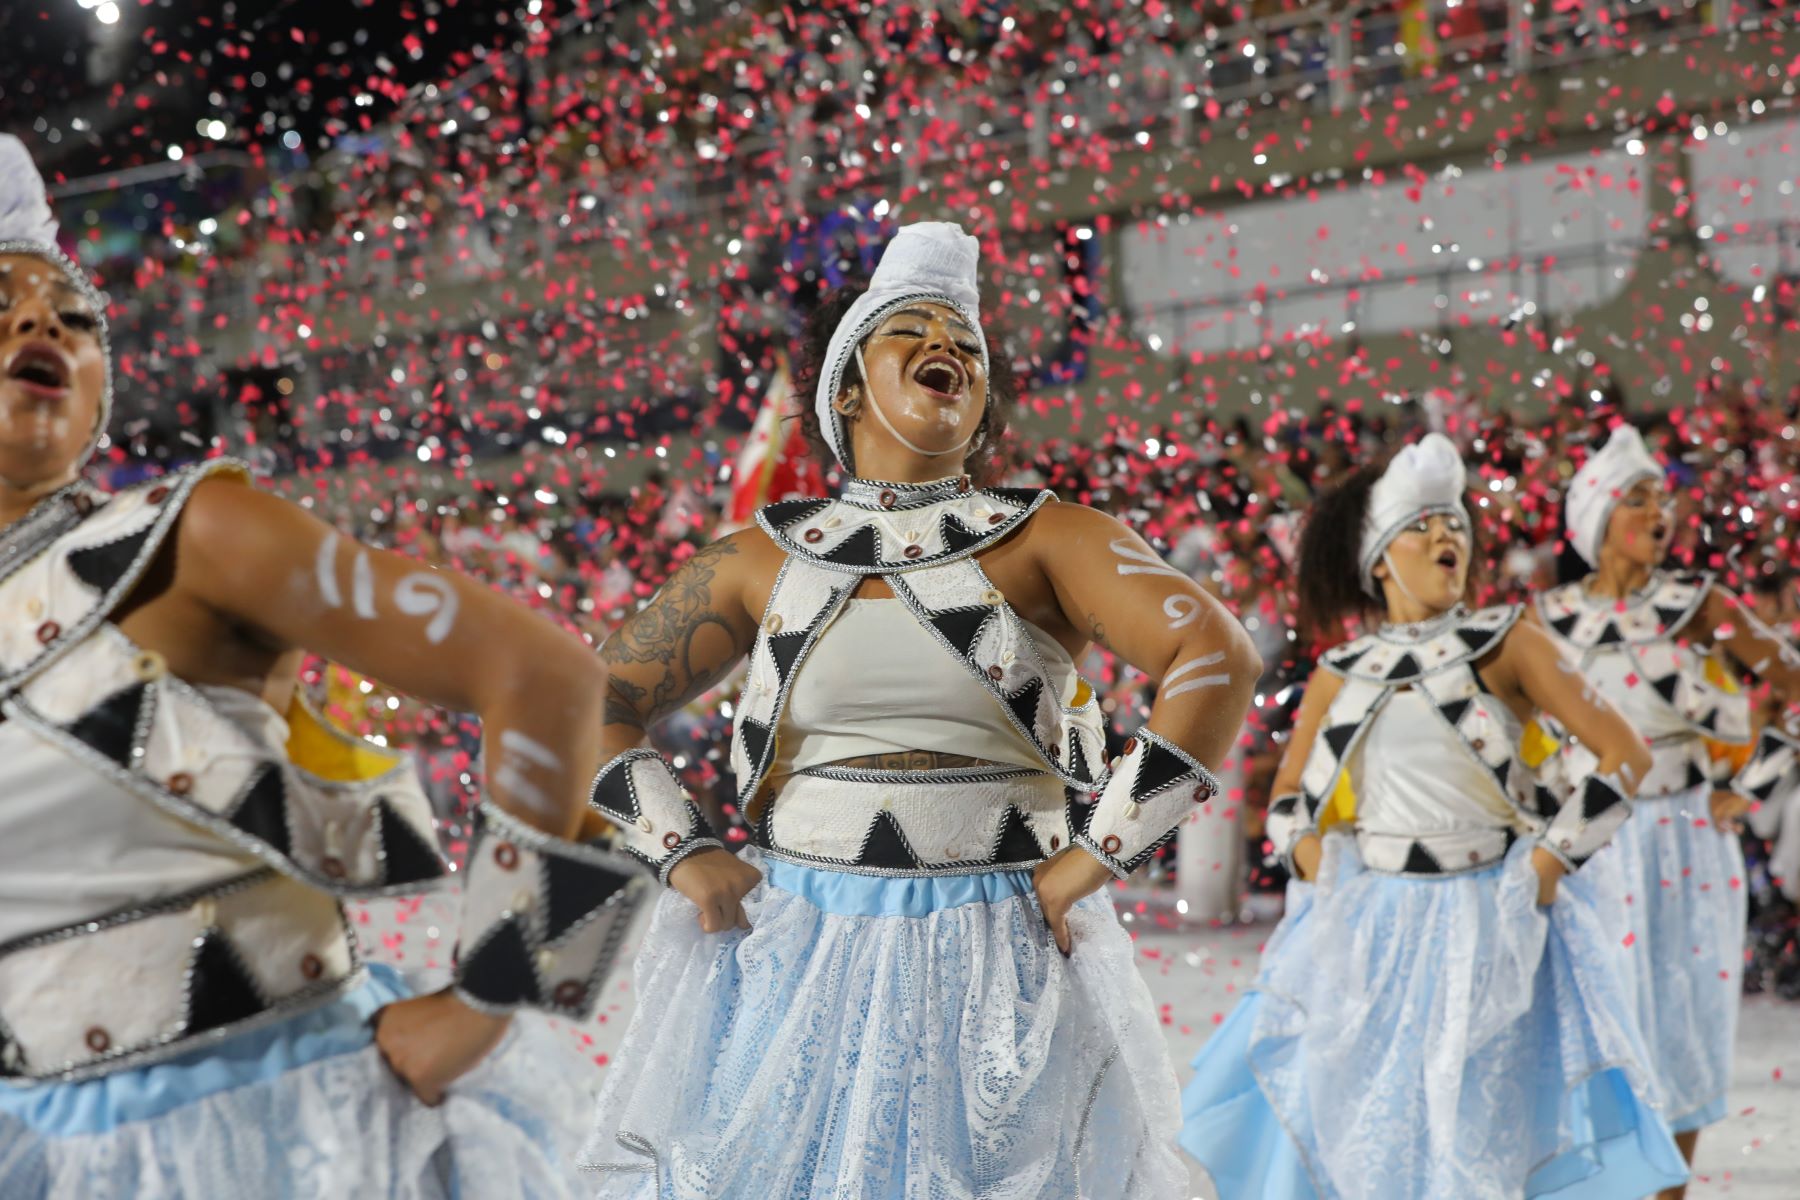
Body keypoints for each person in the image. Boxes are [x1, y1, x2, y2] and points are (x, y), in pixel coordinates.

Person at [0, 134, 640, 1199]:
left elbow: (551, 679)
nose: (42, 323)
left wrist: (491, 997)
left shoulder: (197, 532)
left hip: (274, 1134)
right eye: (3, 302)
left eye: (72, 313)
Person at [578, 221, 1263, 1197]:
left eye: (969, 344)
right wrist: (683, 852)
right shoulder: (755, 556)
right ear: (846, 386)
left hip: (1003, 942)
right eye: (915, 328)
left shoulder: (1050, 536)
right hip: (794, 948)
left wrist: (1091, 860)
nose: (950, 345)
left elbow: (1215, 655)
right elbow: (588, 703)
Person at [1180, 434, 1687, 1199]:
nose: (1447, 536)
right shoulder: (1342, 673)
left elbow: (1623, 757)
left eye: (1455, 523)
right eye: (1421, 525)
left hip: (1492, 925)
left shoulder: (1509, 641)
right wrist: (1326, 874)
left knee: (1476, 1142)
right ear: (1379, 556)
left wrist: (1544, 866)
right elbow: (1289, 805)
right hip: (1370, 929)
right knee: (1373, 1137)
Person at [1534, 424, 1800, 1198]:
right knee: (1596, 1026)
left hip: (1685, 840)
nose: (1660, 514)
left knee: (1680, 1025)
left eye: (1665, 499)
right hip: (1588, 842)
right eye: (1638, 499)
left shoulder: (1699, 605)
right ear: (1595, 517)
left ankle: (1666, 1193)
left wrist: (1751, 787)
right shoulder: (1543, 619)